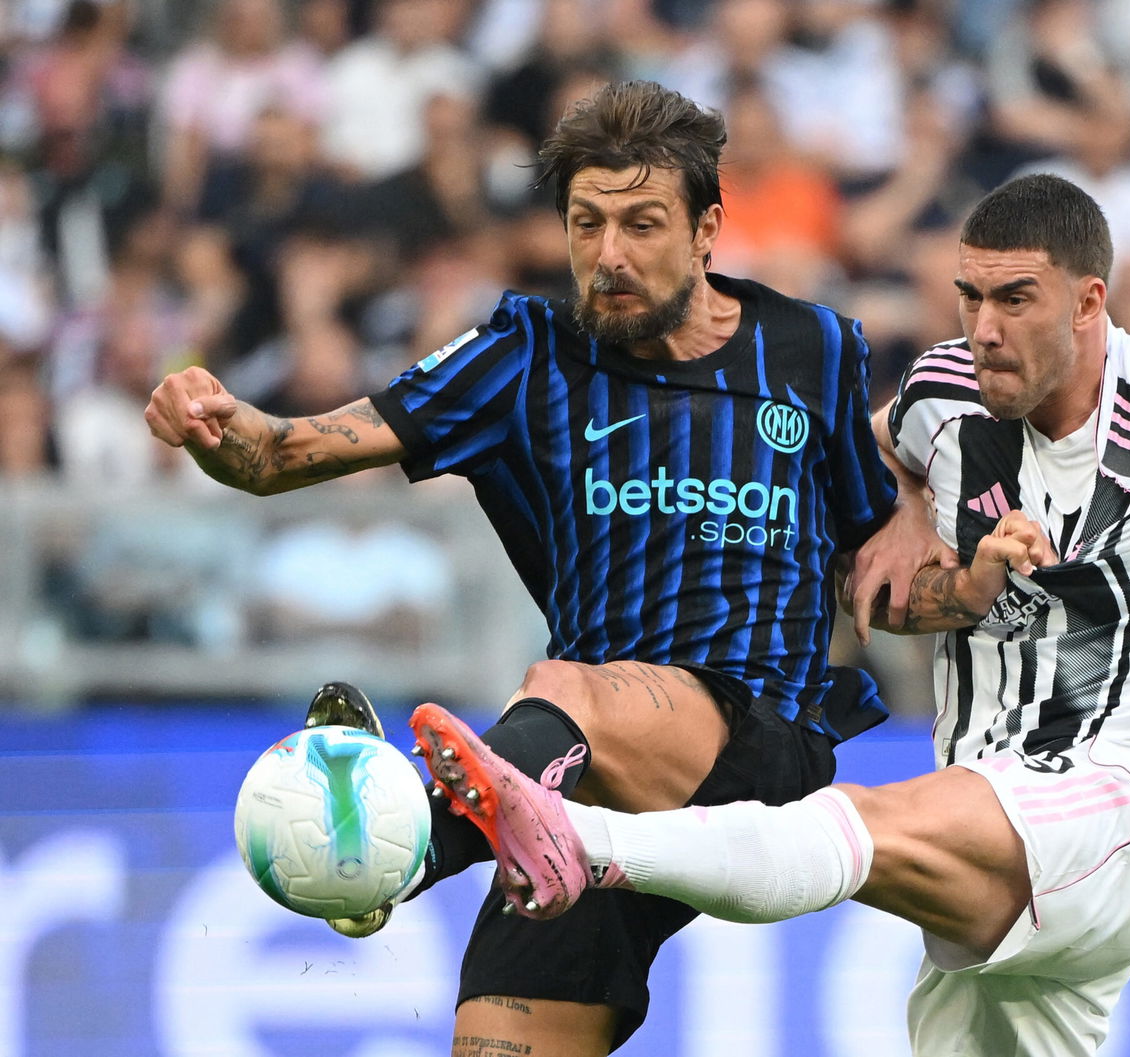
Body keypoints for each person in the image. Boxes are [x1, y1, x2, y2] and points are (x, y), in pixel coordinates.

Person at [404, 173, 1130, 1056]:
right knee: (893, 844)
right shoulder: (945, 396)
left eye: (1015, 299)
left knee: (861, 824)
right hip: (994, 834)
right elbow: (868, 482)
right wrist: (905, 512)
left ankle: (581, 843)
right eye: (968, 296)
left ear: (1089, 301)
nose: (984, 325)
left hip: (1109, 806)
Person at [145, 80, 939, 1056]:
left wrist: (956, 569)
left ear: (706, 229)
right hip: (569, 789)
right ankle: (419, 842)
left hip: (758, 743)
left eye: (643, 223)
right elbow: (277, 455)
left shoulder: (810, 346)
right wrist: (214, 421)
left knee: (567, 690)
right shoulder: (523, 354)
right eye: (586, 223)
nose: (609, 253)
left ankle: (390, 852)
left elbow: (881, 579)